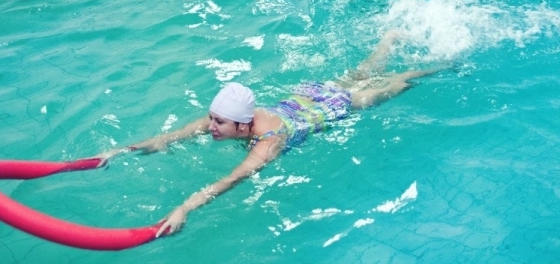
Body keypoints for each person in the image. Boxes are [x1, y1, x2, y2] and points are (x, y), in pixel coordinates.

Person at [91, 30, 436, 237]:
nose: (210, 127)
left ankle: (431, 68)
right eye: (211, 119)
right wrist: (119, 152)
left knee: (380, 91)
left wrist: (184, 208)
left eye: (219, 123)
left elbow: (230, 180)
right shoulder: (228, 117)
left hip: (324, 108)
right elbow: (169, 137)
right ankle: (389, 39)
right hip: (306, 96)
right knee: (361, 72)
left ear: (243, 126)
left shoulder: (267, 144)